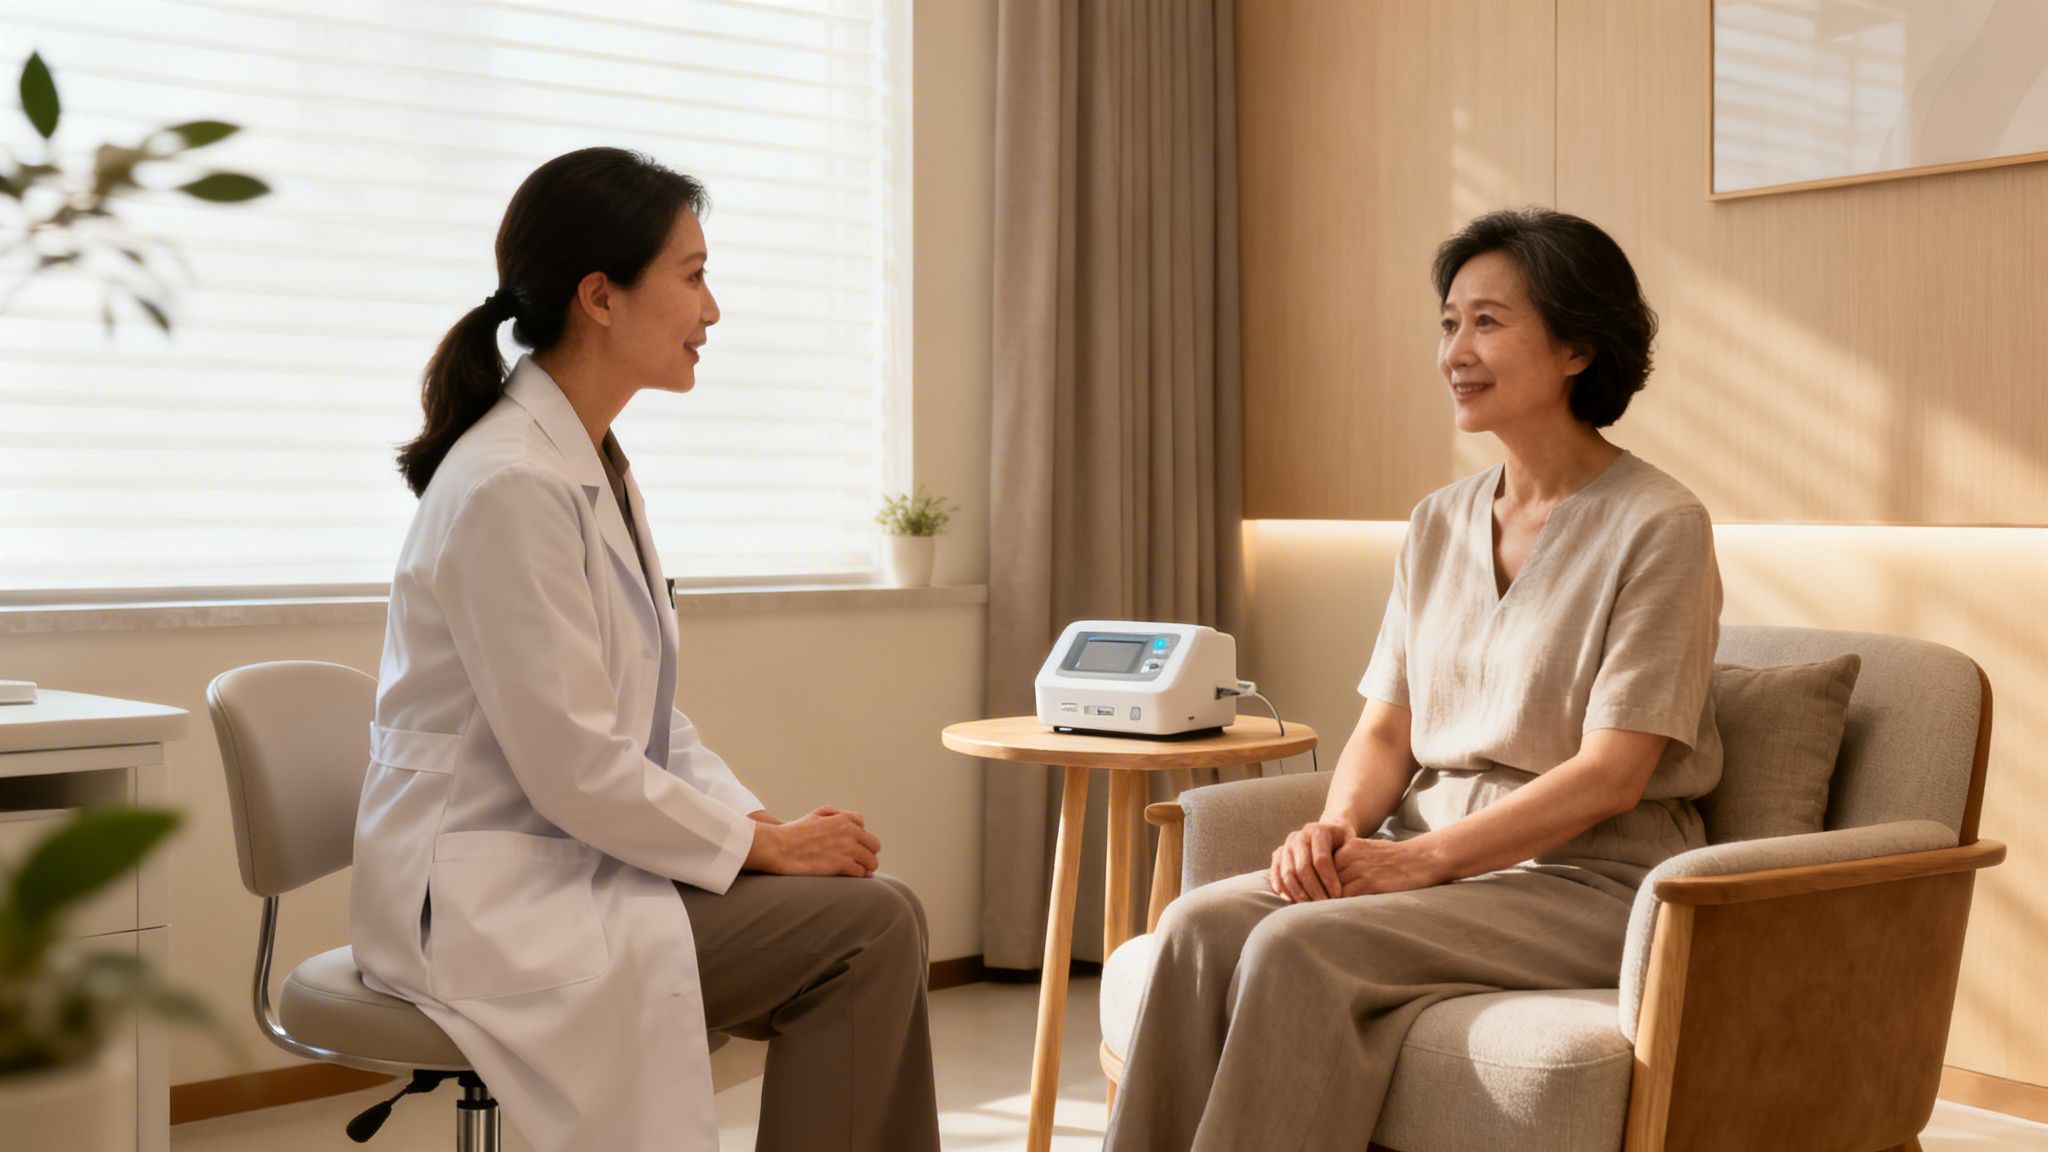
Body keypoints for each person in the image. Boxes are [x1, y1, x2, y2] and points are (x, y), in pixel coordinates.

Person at [350, 147, 940, 1152]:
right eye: (694, 274)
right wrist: (759, 847)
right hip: (490, 901)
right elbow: (573, 766)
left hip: (563, 863)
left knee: (866, 909)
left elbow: (650, 719)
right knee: (872, 931)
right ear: (601, 297)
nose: (712, 311)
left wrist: (757, 824)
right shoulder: (511, 485)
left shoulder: (588, 464)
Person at [1103, 208, 1722, 1150]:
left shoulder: (1659, 524)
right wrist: (1338, 831)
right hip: (1429, 856)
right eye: (1448, 322)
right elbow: (1386, 731)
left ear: (1576, 349)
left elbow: (1615, 773)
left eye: (1488, 321)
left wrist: (1418, 861)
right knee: (1195, 925)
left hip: (1589, 880)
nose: (1455, 351)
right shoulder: (1438, 522)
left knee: (1295, 946)